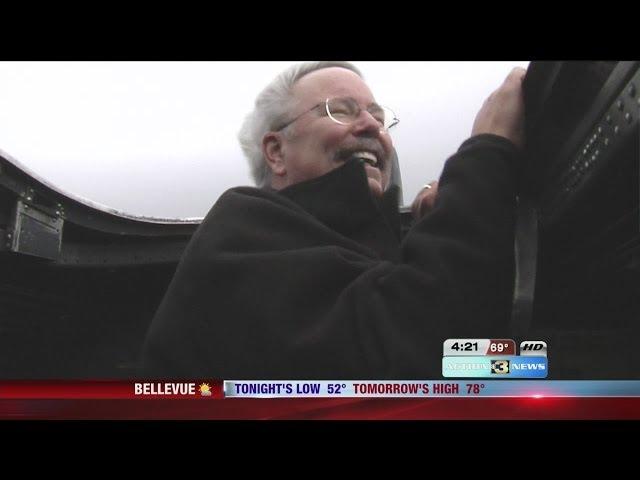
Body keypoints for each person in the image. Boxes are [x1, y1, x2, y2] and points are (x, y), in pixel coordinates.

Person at [140, 61, 526, 379]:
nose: (372, 126)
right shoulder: (239, 235)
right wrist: (486, 153)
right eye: (340, 110)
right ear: (275, 151)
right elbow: (425, 351)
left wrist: (433, 231)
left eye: (378, 117)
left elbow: (489, 365)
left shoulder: (367, 250)